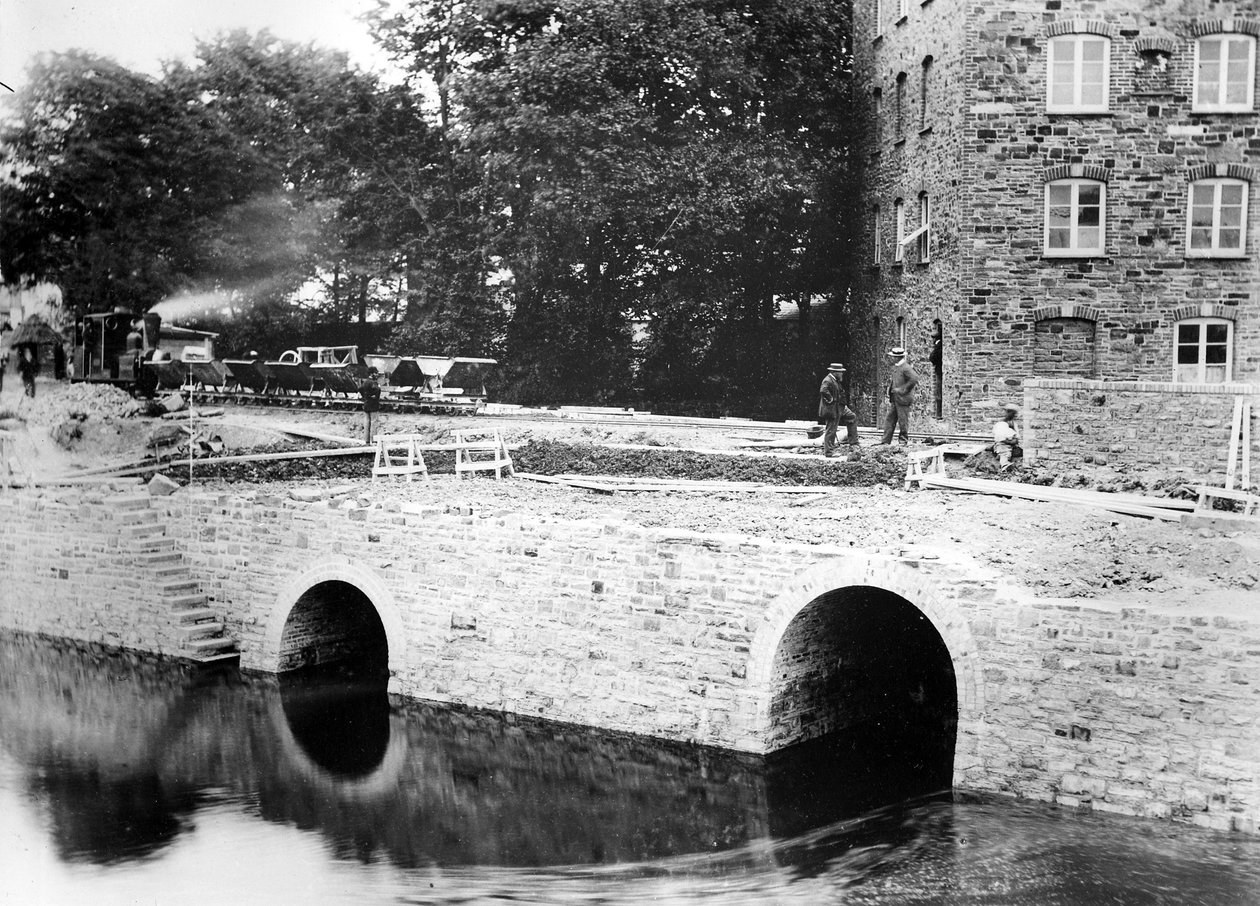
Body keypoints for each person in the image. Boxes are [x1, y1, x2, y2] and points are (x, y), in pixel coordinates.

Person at [879, 345, 919, 446]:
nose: (891, 358)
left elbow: (914, 378)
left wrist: (903, 390)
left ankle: (903, 442)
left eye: (893, 357)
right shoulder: (897, 367)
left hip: (903, 399)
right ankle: (885, 441)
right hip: (896, 399)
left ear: (898, 357)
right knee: (890, 419)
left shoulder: (905, 368)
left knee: (903, 420)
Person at [817, 363, 859, 456]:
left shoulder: (834, 380)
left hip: (841, 407)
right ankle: (829, 452)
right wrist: (831, 399)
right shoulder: (827, 380)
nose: (842, 374)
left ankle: (854, 443)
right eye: (840, 372)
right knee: (831, 429)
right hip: (833, 409)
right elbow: (823, 390)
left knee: (851, 417)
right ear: (834, 372)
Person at [993, 403, 1022, 471]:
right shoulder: (1001, 424)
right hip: (1003, 443)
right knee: (1005, 452)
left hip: (1011, 443)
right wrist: (1009, 441)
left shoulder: (1013, 424)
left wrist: (1015, 440)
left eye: (1014, 413)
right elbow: (1000, 438)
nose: (1013, 415)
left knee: (1018, 451)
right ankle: (1004, 464)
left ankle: (999, 456)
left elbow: (1016, 435)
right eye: (1010, 412)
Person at [360, 368, 381, 444]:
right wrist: (373, 396)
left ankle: (366, 441)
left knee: (366, 423)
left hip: (366, 404)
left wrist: (366, 396)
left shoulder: (365, 382)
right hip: (373, 405)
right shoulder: (373, 383)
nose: (377, 374)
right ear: (371, 374)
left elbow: (360, 389)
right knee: (374, 422)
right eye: (375, 373)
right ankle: (374, 441)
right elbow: (378, 390)